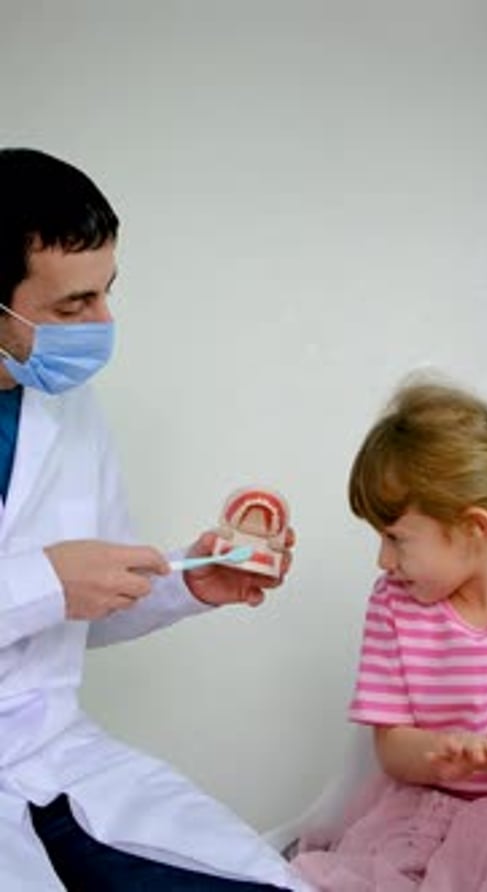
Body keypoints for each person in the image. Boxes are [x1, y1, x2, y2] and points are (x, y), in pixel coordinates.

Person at [0, 148, 308, 892]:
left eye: (106, 293)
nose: (103, 323)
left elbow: (83, 609)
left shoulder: (71, 412)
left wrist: (189, 579)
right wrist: (45, 582)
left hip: (51, 756)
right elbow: (53, 589)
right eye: (72, 306)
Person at [292, 379, 487, 891]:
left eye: (395, 539)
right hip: (422, 812)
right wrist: (439, 754)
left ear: (474, 527)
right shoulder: (394, 604)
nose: (383, 561)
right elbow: (391, 745)